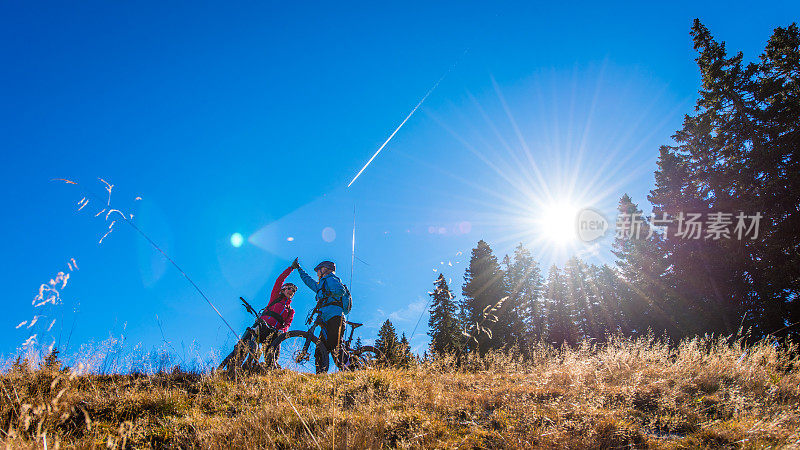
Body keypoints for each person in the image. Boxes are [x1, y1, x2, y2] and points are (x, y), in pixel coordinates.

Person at [220, 263, 297, 370]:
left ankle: (270, 368)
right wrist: (291, 268)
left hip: (274, 332)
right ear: (283, 290)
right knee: (245, 345)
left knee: (274, 352)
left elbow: (287, 324)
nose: (291, 291)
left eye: (293, 291)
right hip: (262, 326)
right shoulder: (275, 297)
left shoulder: (291, 311)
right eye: (289, 288)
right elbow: (279, 280)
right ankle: (232, 368)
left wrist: (282, 331)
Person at [293, 259, 349, 373]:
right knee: (320, 349)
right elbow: (308, 281)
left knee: (335, 345)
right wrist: (299, 269)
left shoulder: (331, 278)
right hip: (325, 318)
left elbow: (340, 290)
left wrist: (328, 293)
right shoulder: (320, 285)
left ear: (325, 269)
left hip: (335, 316)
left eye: (318, 270)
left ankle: (351, 369)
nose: (317, 273)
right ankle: (320, 376)